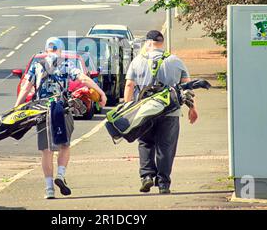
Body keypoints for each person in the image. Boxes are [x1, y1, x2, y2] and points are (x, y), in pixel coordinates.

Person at [15, 37, 107, 199]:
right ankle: (60, 174)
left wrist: (16, 109)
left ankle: (49, 188)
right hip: (62, 109)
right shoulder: (66, 64)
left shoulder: (37, 65)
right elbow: (84, 79)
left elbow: (25, 89)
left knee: (46, 150)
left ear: (46, 50)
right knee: (64, 145)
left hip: (42, 111)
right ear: (60, 50)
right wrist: (101, 92)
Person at [124, 30, 198, 194]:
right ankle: (163, 184)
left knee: (145, 143)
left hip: (145, 111)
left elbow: (129, 85)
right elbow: (188, 87)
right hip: (170, 112)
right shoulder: (175, 61)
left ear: (148, 42)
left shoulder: (137, 61)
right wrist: (192, 108)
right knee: (166, 147)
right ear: (161, 43)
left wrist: (128, 110)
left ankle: (147, 176)